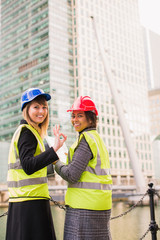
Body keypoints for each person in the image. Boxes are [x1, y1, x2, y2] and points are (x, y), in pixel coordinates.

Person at [6, 88, 67, 240]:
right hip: (29, 203)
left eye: (44, 107)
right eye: (36, 107)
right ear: (26, 109)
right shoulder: (27, 132)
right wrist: (54, 150)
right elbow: (28, 166)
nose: (41, 111)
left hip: (29, 201)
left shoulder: (33, 132)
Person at [54, 96, 112, 240]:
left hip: (84, 206)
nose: (75, 120)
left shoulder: (86, 140)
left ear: (91, 119)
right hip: (100, 204)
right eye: (73, 116)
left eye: (80, 115)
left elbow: (72, 175)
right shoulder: (96, 139)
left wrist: (56, 162)